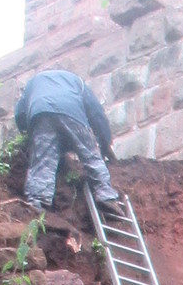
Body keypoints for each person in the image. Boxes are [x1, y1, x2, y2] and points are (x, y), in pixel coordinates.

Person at [14, 68, 116, 211]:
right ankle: (105, 194)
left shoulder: (32, 83)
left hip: (41, 113)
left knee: (43, 160)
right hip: (72, 113)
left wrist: (30, 136)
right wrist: (105, 144)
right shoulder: (77, 82)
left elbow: (19, 113)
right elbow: (97, 114)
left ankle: (39, 200)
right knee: (90, 155)